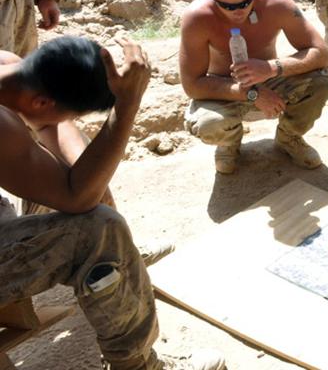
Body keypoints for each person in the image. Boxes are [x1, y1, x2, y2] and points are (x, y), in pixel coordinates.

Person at [0, 36, 224, 370]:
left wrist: (93, 182)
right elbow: (75, 197)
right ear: (42, 101)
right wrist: (127, 106)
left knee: (91, 169)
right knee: (99, 230)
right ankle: (137, 365)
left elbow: (54, 128)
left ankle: (117, 260)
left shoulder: (11, 68)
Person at [180, 0, 328, 175]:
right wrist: (252, 94)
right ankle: (229, 143)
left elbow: (321, 54)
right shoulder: (196, 18)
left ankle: (289, 138)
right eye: (227, 6)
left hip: (270, 78)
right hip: (225, 91)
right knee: (208, 124)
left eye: (245, 2)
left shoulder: (277, 4)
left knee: (320, 82)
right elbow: (192, 85)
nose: (238, 11)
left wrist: (272, 68)